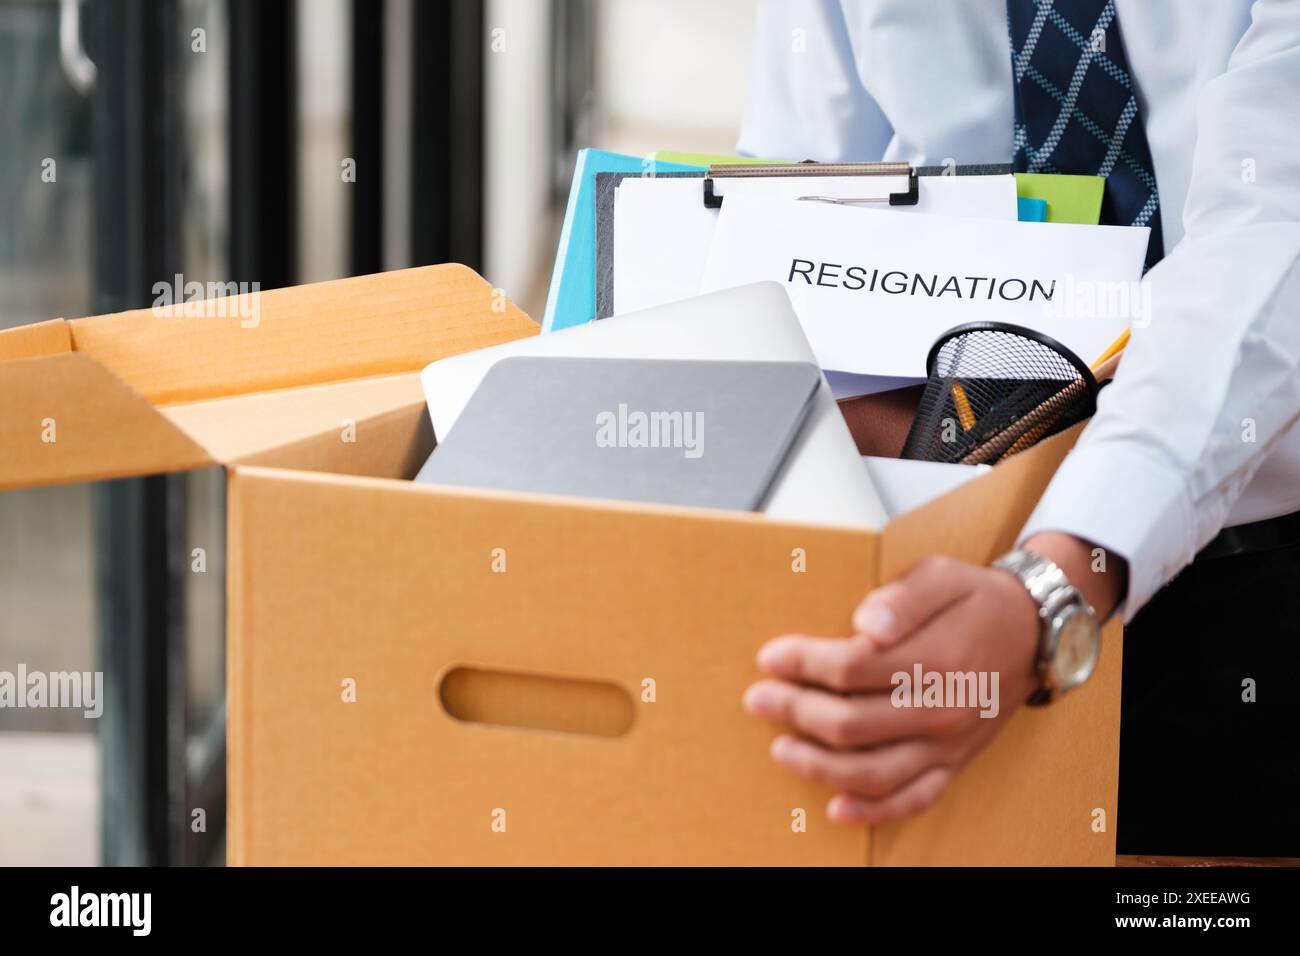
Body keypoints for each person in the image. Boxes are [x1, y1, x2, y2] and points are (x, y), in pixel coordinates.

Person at [738, 0, 1300, 856]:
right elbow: (800, 177)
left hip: (1252, 579)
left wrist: (1049, 588)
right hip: (927, 558)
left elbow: (1273, 240)